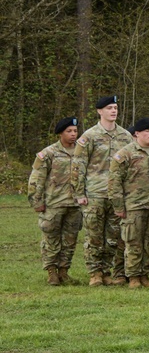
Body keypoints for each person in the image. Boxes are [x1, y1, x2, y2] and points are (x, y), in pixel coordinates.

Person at [72, 94, 134, 287]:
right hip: (95, 193)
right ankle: (95, 273)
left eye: (115, 107)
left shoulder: (125, 136)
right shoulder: (89, 136)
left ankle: (107, 271)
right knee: (94, 236)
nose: (113, 111)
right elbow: (78, 165)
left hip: (117, 195)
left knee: (113, 236)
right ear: (100, 111)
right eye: (109, 108)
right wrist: (79, 193)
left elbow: (132, 165)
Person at [108, 118, 149, 289]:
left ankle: (145, 275)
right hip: (134, 205)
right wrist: (118, 206)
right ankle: (133, 277)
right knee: (133, 243)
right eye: (147, 131)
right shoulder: (125, 153)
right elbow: (114, 182)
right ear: (137, 134)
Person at [29, 117, 83, 286]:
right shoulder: (49, 153)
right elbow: (36, 179)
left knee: (70, 240)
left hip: (75, 204)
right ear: (61, 133)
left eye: (75, 131)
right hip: (53, 204)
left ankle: (64, 271)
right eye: (69, 131)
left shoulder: (82, 152)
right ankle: (51, 272)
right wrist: (37, 201)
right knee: (51, 239)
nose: (73, 134)